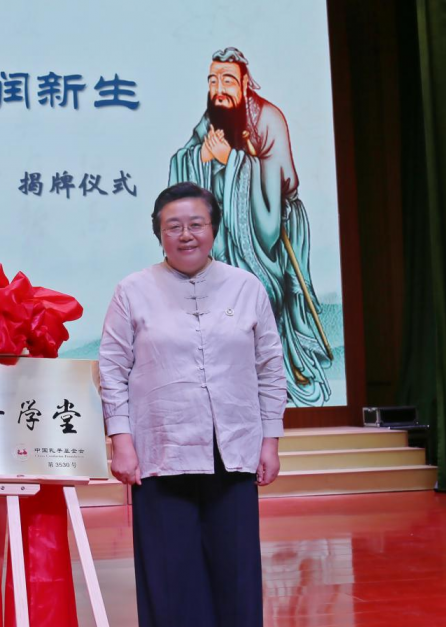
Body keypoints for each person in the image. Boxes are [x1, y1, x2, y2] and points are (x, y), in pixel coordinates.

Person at [98, 182, 286, 627]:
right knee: (168, 574)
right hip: (161, 451)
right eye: (173, 227)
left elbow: (270, 368)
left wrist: (270, 441)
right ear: (159, 234)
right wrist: (121, 442)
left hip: (232, 450)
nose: (186, 235)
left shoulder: (246, 287)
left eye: (196, 224)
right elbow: (112, 369)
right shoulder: (132, 290)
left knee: (235, 571)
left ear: (214, 229)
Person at [168, 46, 332, 406]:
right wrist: (202, 157)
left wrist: (233, 162)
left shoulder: (268, 119)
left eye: (227, 80)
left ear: (245, 83)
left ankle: (275, 373)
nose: (219, 89)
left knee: (262, 294)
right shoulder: (213, 117)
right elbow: (184, 159)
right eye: (213, 81)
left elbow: (275, 192)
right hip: (228, 234)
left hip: (271, 227)